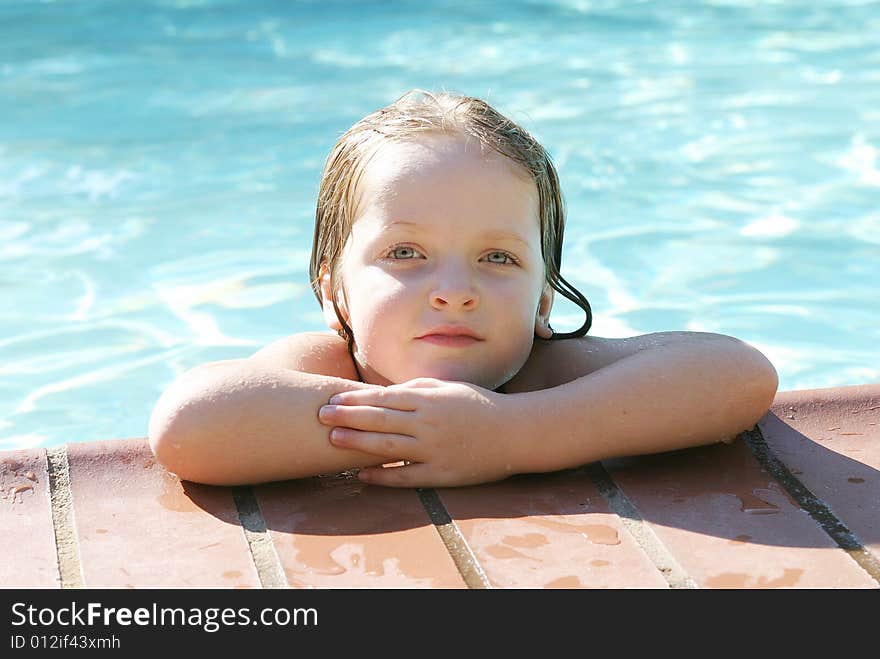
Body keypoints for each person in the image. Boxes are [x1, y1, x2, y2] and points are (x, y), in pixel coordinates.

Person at [148, 90, 779, 488]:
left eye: (498, 257)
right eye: (405, 253)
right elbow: (189, 424)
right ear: (333, 291)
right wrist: (416, 429)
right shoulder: (325, 368)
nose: (454, 291)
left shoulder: (547, 375)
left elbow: (737, 373)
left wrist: (515, 433)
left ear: (542, 300)